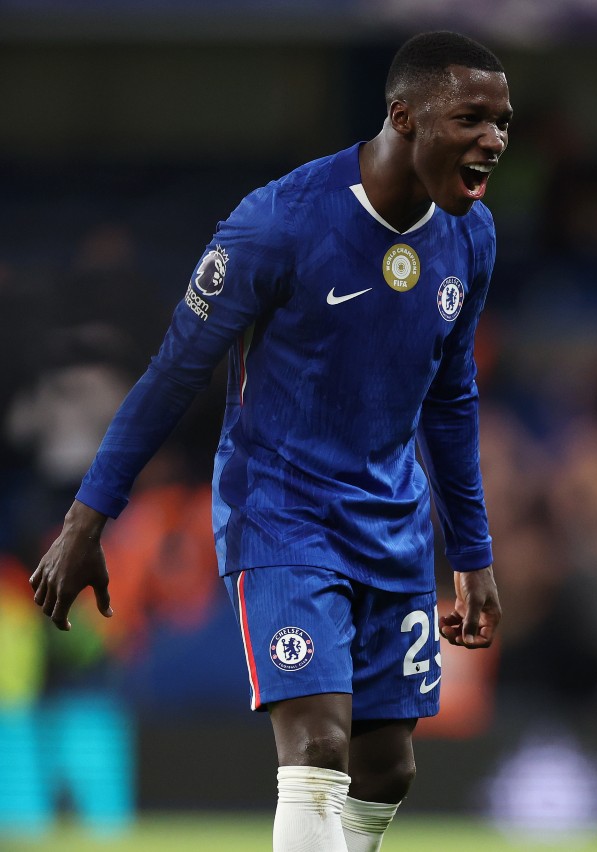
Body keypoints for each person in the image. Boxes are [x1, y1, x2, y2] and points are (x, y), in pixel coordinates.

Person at [29, 30, 510, 852]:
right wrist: (87, 520)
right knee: (317, 748)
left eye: (502, 122)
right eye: (471, 119)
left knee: (387, 769)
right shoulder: (279, 222)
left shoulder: (473, 237)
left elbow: (451, 398)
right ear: (404, 117)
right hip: (282, 515)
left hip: (392, 523)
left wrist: (472, 554)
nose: (493, 140)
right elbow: (173, 374)